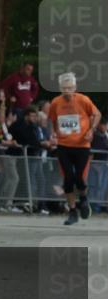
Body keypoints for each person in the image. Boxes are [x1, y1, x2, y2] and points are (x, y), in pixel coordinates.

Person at [48, 73, 101, 225]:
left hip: (82, 145)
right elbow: (52, 119)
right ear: (60, 89)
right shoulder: (56, 102)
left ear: (75, 88)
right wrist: (53, 132)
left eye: (70, 88)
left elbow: (97, 114)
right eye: (64, 88)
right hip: (63, 146)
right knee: (68, 179)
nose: (67, 91)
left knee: (79, 177)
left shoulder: (83, 100)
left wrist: (91, 130)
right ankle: (72, 212)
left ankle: (84, 199)